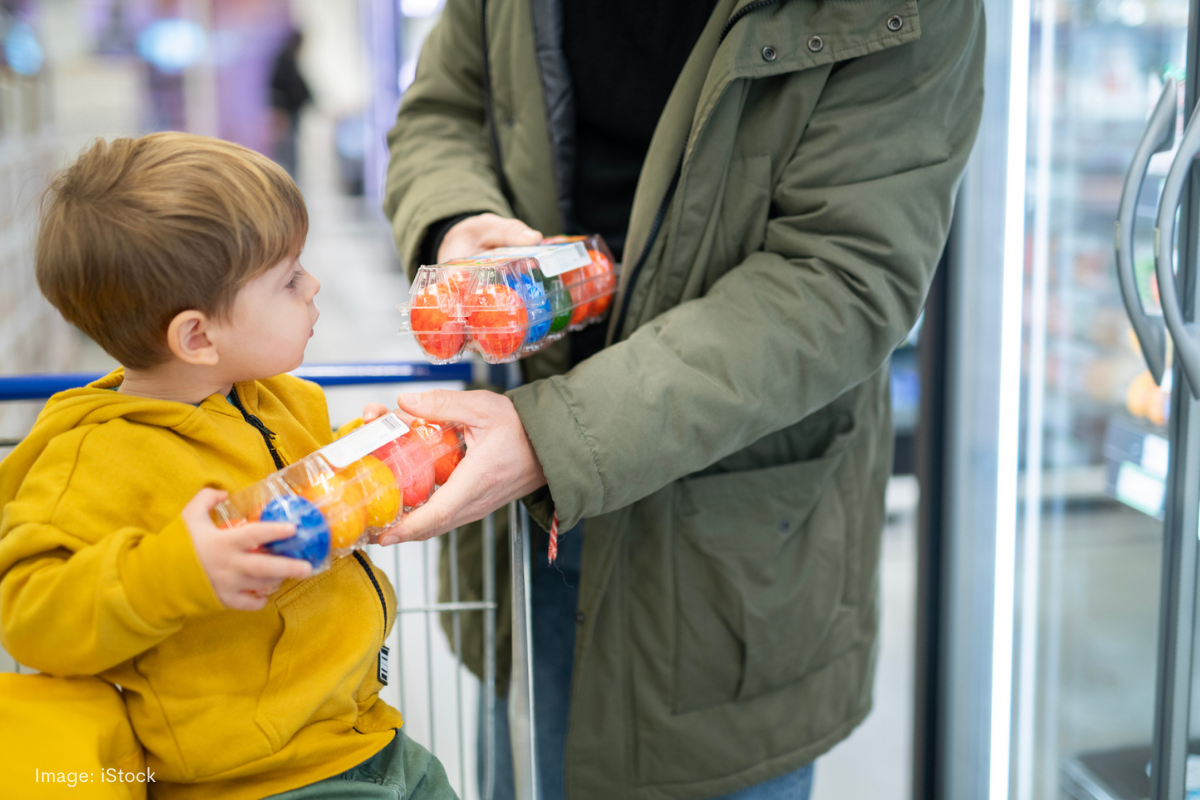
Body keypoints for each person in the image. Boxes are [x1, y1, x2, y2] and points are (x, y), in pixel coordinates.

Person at [383, 1, 986, 799]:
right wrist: (457, 221)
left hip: (728, 538)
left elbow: (839, 278)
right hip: (524, 505)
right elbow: (446, 104)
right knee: (533, 752)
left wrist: (557, 439)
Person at [0, 133, 456, 800]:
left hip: (364, 733)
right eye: (288, 277)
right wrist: (175, 571)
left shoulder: (276, 398)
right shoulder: (93, 457)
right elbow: (31, 616)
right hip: (258, 780)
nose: (314, 283)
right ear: (198, 336)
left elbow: (306, 507)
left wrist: (375, 458)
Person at [270, 30, 312, 178]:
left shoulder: (289, 60)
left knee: (290, 152)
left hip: (290, 114)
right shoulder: (285, 61)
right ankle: (287, 182)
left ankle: (290, 181)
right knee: (287, 153)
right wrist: (279, 112)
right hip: (287, 116)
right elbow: (279, 89)